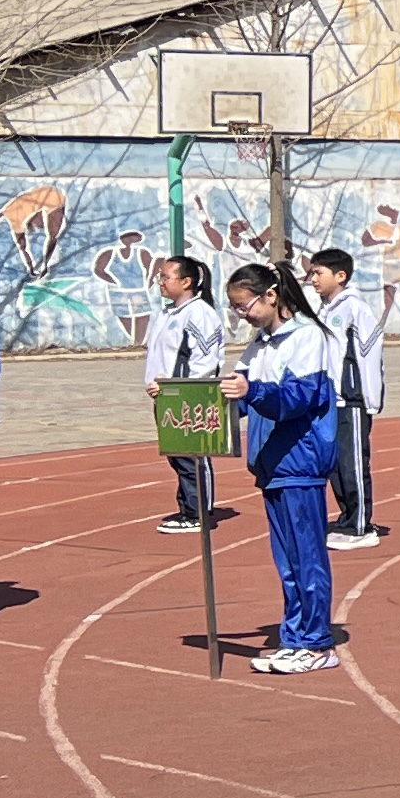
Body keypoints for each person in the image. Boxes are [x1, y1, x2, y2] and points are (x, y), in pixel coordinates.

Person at [215, 265, 342, 674]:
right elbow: (239, 388)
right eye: (235, 308)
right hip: (272, 464)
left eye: (244, 305)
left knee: (308, 557)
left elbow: (298, 398)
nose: (241, 315)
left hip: (301, 459)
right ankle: (294, 636)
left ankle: (317, 642)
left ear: (271, 296)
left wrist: (252, 391)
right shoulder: (260, 344)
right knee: (287, 560)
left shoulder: (308, 337)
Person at [305, 248, 389, 548]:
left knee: (353, 463)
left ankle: (360, 525)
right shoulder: (324, 309)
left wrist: (369, 397)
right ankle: (345, 516)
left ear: (340, 276)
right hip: (328, 399)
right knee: (335, 465)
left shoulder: (355, 307)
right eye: (312, 272)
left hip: (351, 397)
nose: (313, 279)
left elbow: (369, 353)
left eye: (319, 273)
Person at [144, 256, 227, 536]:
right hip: (167, 396)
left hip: (187, 396)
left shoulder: (199, 314)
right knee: (178, 456)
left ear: (186, 282)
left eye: (166, 277)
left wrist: (178, 388)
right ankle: (188, 507)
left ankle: (198, 511)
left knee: (192, 456)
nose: (161, 283)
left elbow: (205, 360)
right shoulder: (168, 313)